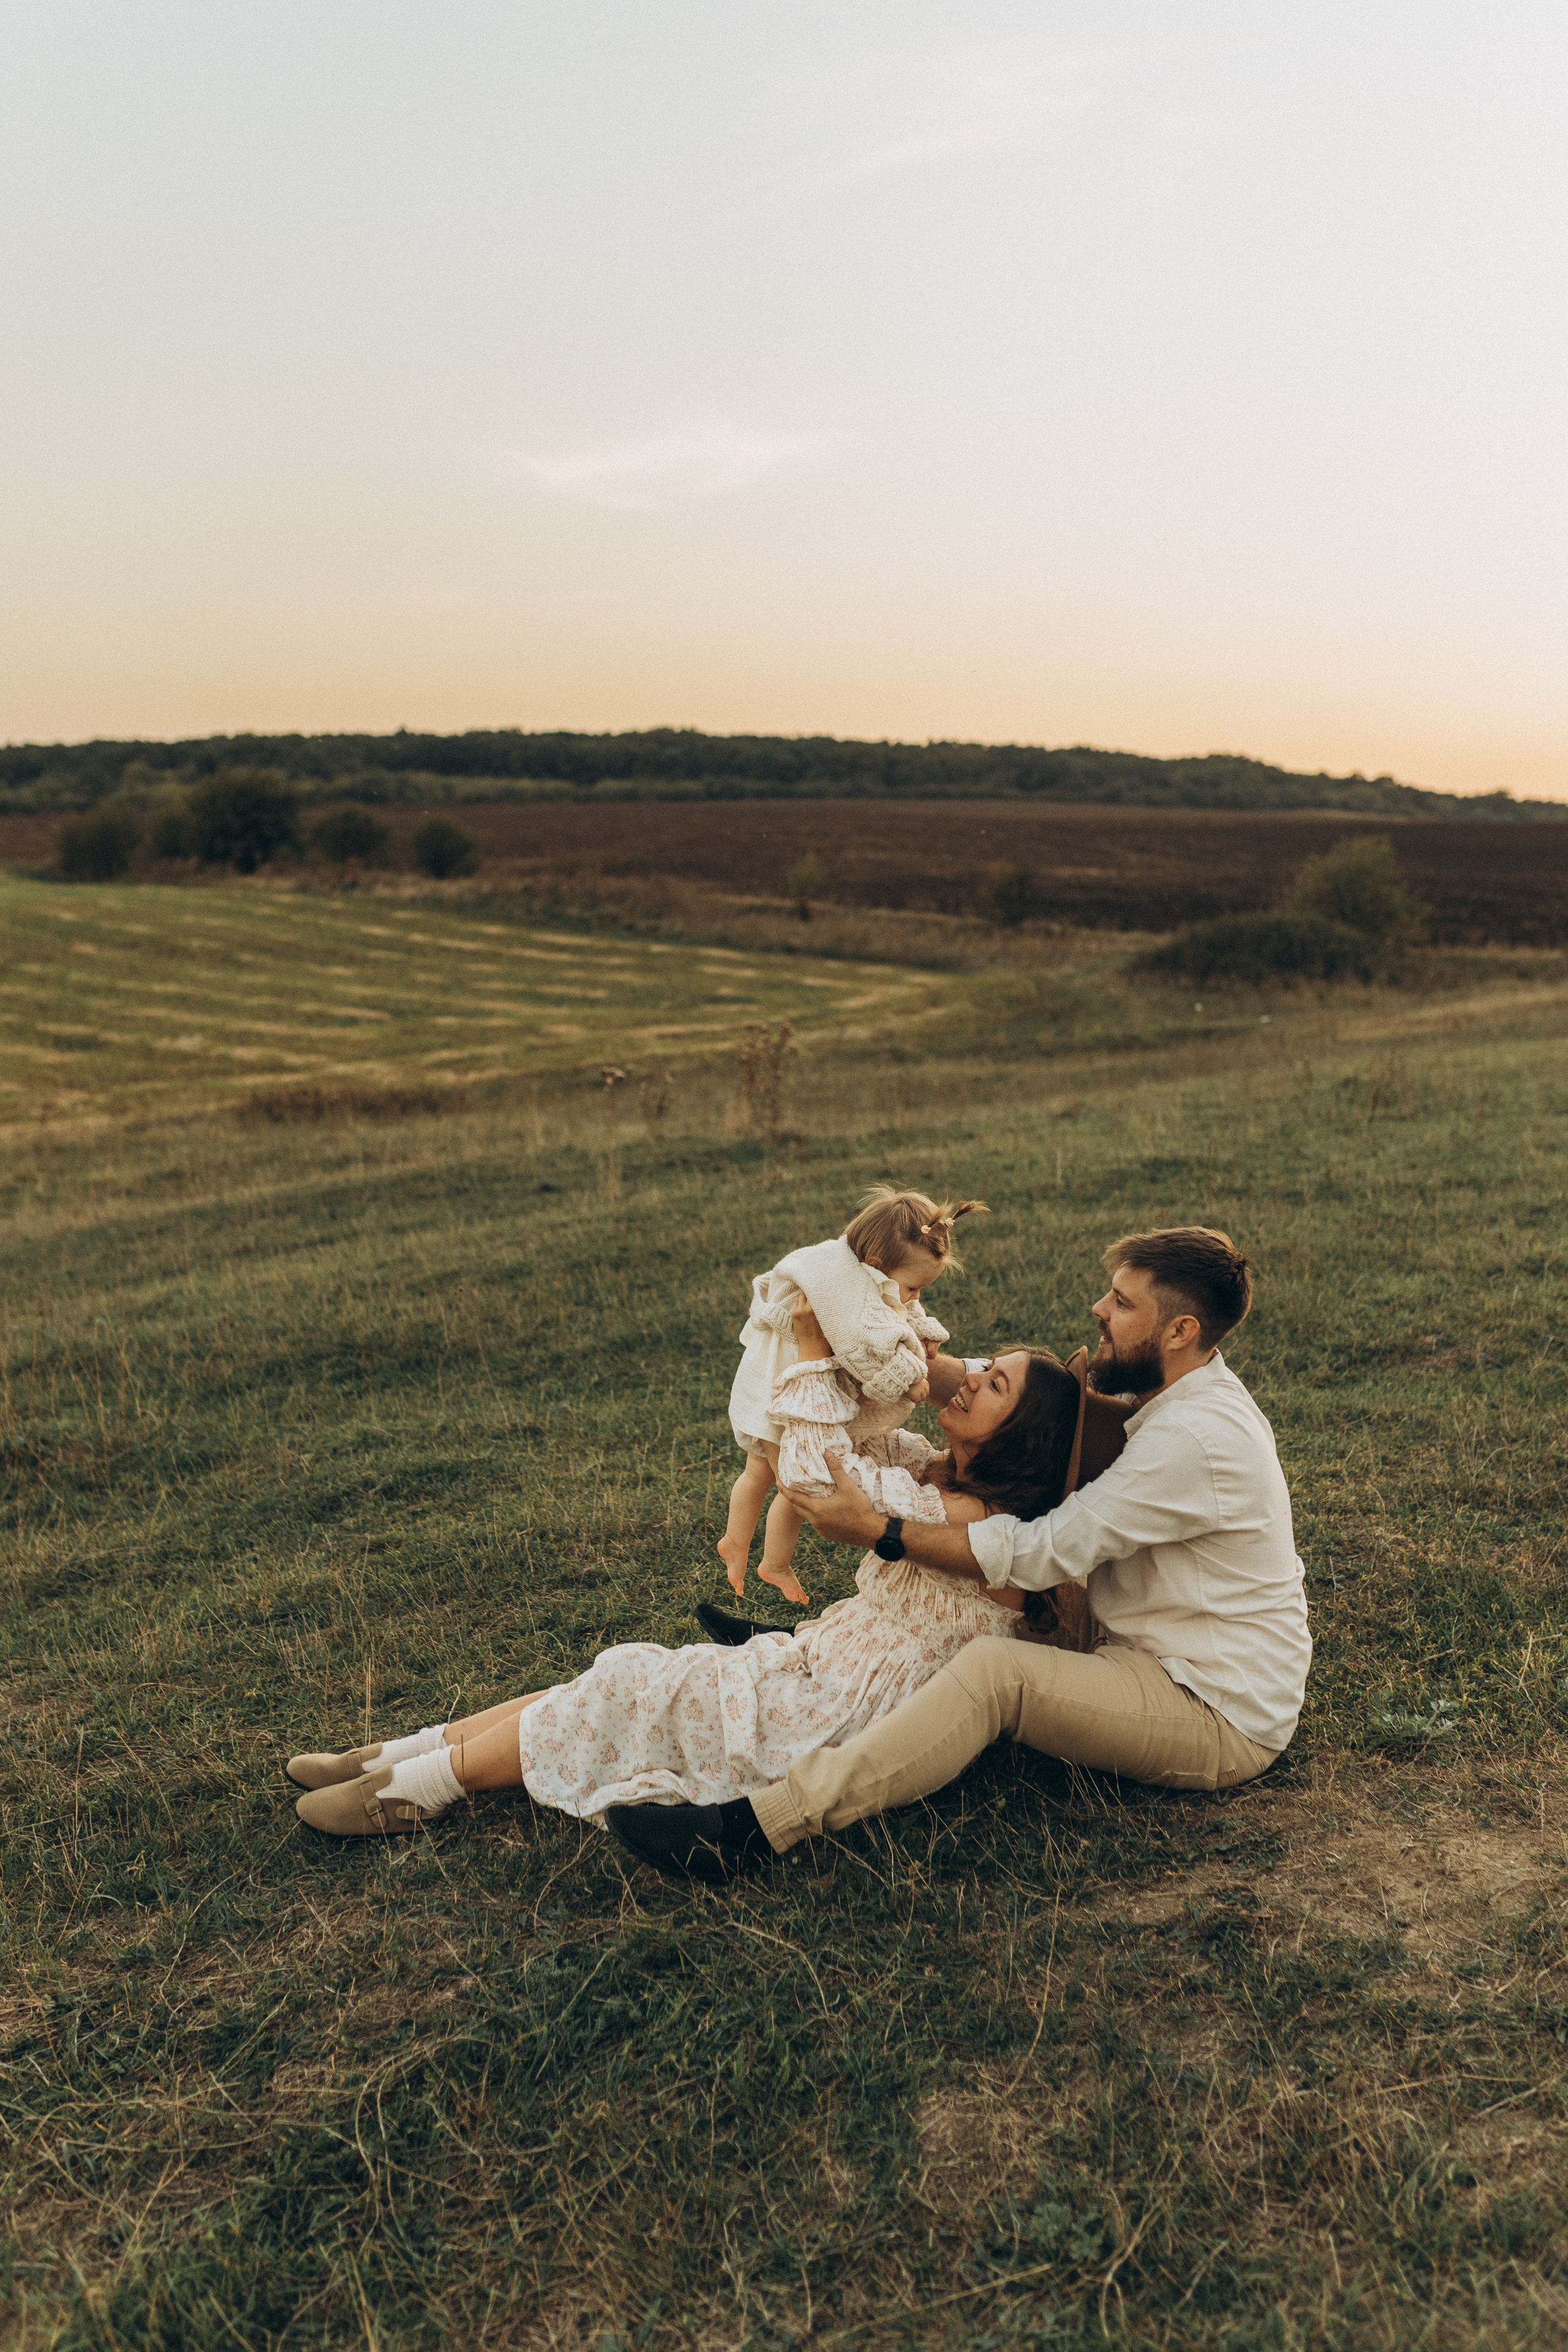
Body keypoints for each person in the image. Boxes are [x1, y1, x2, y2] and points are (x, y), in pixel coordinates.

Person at [605, 1226, 1312, 1885]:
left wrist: (879, 1529)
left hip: (1210, 1704)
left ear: (1181, 1330)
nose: (1099, 1309)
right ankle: (820, 1646)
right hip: (1126, 1634)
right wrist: (870, 1337)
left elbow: (1039, 1553)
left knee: (996, 1673)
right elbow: (1020, 1396)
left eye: (1122, 1303)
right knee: (994, 1592)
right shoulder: (1159, 1381)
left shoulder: (1193, 1439)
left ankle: (754, 1829)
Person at [286, 1308, 1084, 1840]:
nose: (972, 1378)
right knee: (621, 1677)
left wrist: (814, 1357)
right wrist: (877, 1335)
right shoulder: (937, 1473)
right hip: (816, 1668)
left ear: (1022, 1437)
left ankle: (419, 1791)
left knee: (631, 1683)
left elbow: (815, 1473)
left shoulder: (975, 1519)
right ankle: (404, 1754)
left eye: (995, 1386)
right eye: (986, 1366)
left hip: (839, 1715)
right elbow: (857, 1435)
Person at [719, 1186, 987, 1607]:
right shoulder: (843, 1295)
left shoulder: (854, 1270)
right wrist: (912, 1378)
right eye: (914, 1287)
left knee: (760, 1474)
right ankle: (768, 1560)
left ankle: (742, 1545)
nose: (916, 1297)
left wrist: (922, 1332)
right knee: (794, 1484)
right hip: (788, 1387)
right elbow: (870, 1347)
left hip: (773, 1377)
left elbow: (899, 1312)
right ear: (878, 1267)